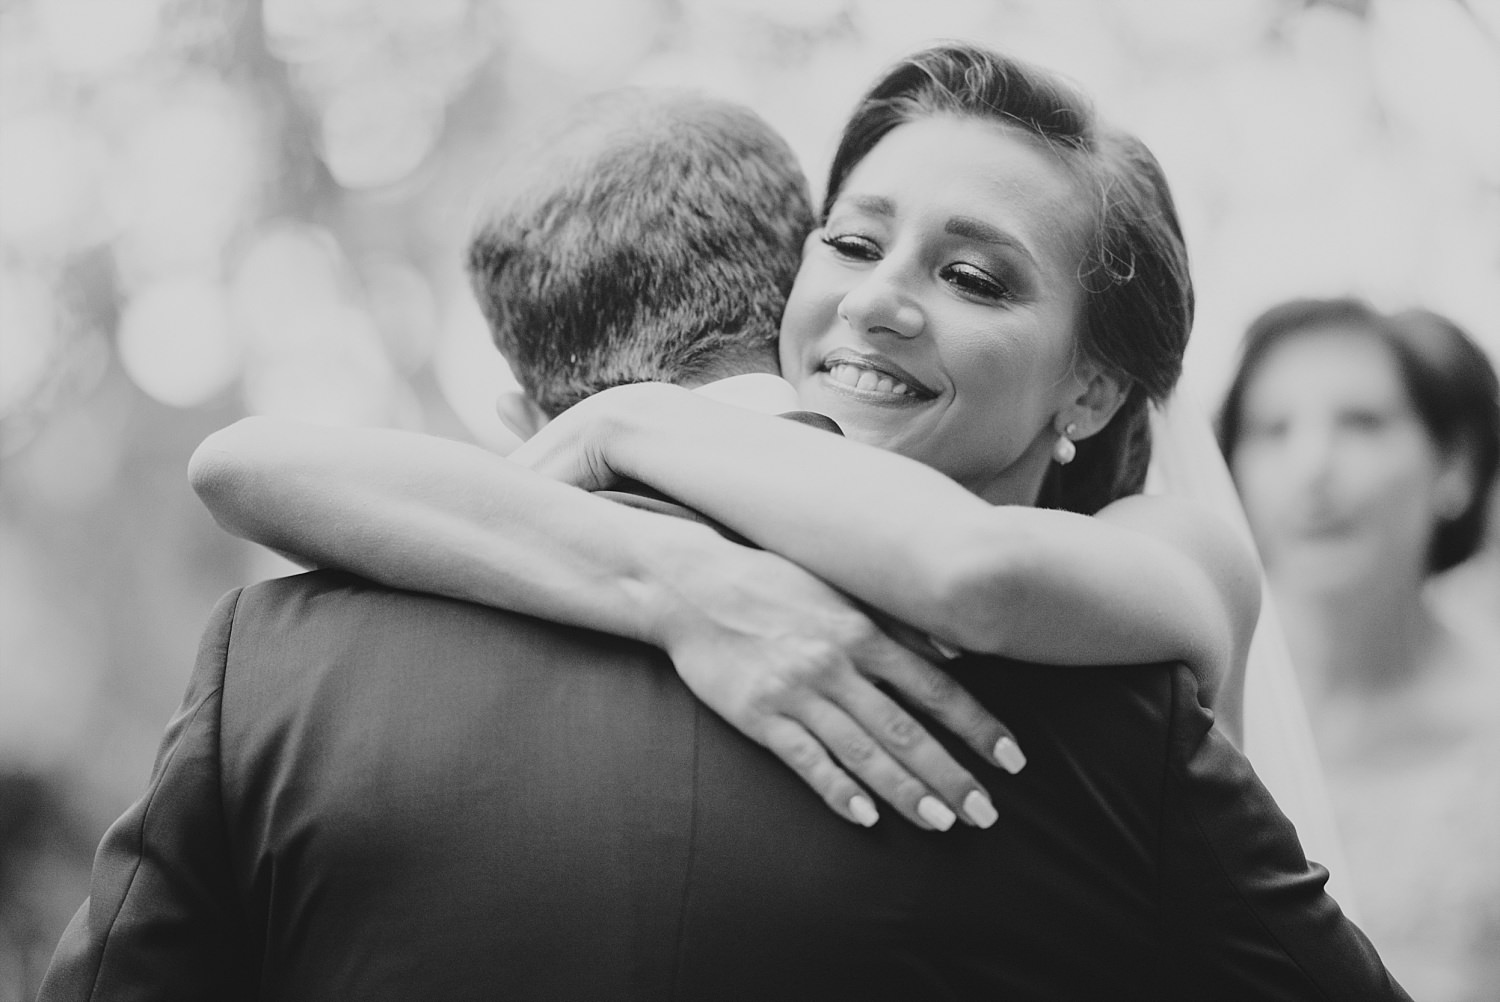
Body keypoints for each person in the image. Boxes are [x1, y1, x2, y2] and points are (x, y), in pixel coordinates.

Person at [42, 50, 1407, 1000]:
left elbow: (973, 571)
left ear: (1097, 383)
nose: (881, 301)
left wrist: (630, 431)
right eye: (856, 242)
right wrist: (672, 577)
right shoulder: (1114, 723)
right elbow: (237, 463)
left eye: (977, 274)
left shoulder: (282, 666)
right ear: (785, 284)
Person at [1219, 296, 1500, 1001]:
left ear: (1456, 463)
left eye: (1363, 423)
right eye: (1272, 430)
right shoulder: (1183, 699)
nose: (1312, 466)